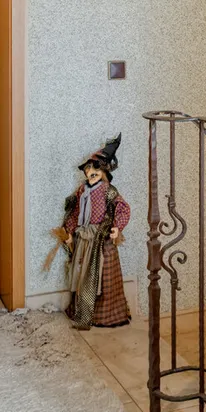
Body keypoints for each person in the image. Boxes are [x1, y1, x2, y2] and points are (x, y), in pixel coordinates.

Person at [60, 134, 131, 329]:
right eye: (88, 171)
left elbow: (123, 208)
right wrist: (69, 231)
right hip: (83, 238)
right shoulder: (81, 191)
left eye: (95, 172)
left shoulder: (109, 190)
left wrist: (117, 227)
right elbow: (75, 212)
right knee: (82, 274)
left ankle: (104, 316)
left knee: (102, 275)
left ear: (103, 172)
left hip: (101, 238)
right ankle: (82, 311)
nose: (91, 174)